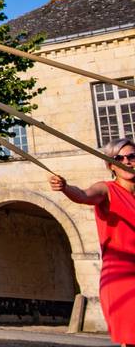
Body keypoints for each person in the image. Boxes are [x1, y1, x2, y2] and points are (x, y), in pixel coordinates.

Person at [49, 137, 135, 347]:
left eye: (132, 156)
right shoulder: (107, 190)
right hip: (123, 278)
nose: (127, 161)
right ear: (110, 165)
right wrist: (66, 187)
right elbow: (83, 195)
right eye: (119, 158)